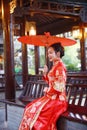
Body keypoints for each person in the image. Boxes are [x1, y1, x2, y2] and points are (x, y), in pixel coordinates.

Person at [19, 42, 68, 130]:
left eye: (50, 52)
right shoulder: (55, 66)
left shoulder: (60, 67)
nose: (48, 55)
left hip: (58, 100)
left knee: (36, 112)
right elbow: (51, 82)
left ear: (58, 53)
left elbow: (60, 87)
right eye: (47, 53)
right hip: (50, 97)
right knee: (29, 107)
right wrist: (45, 74)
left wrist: (48, 90)